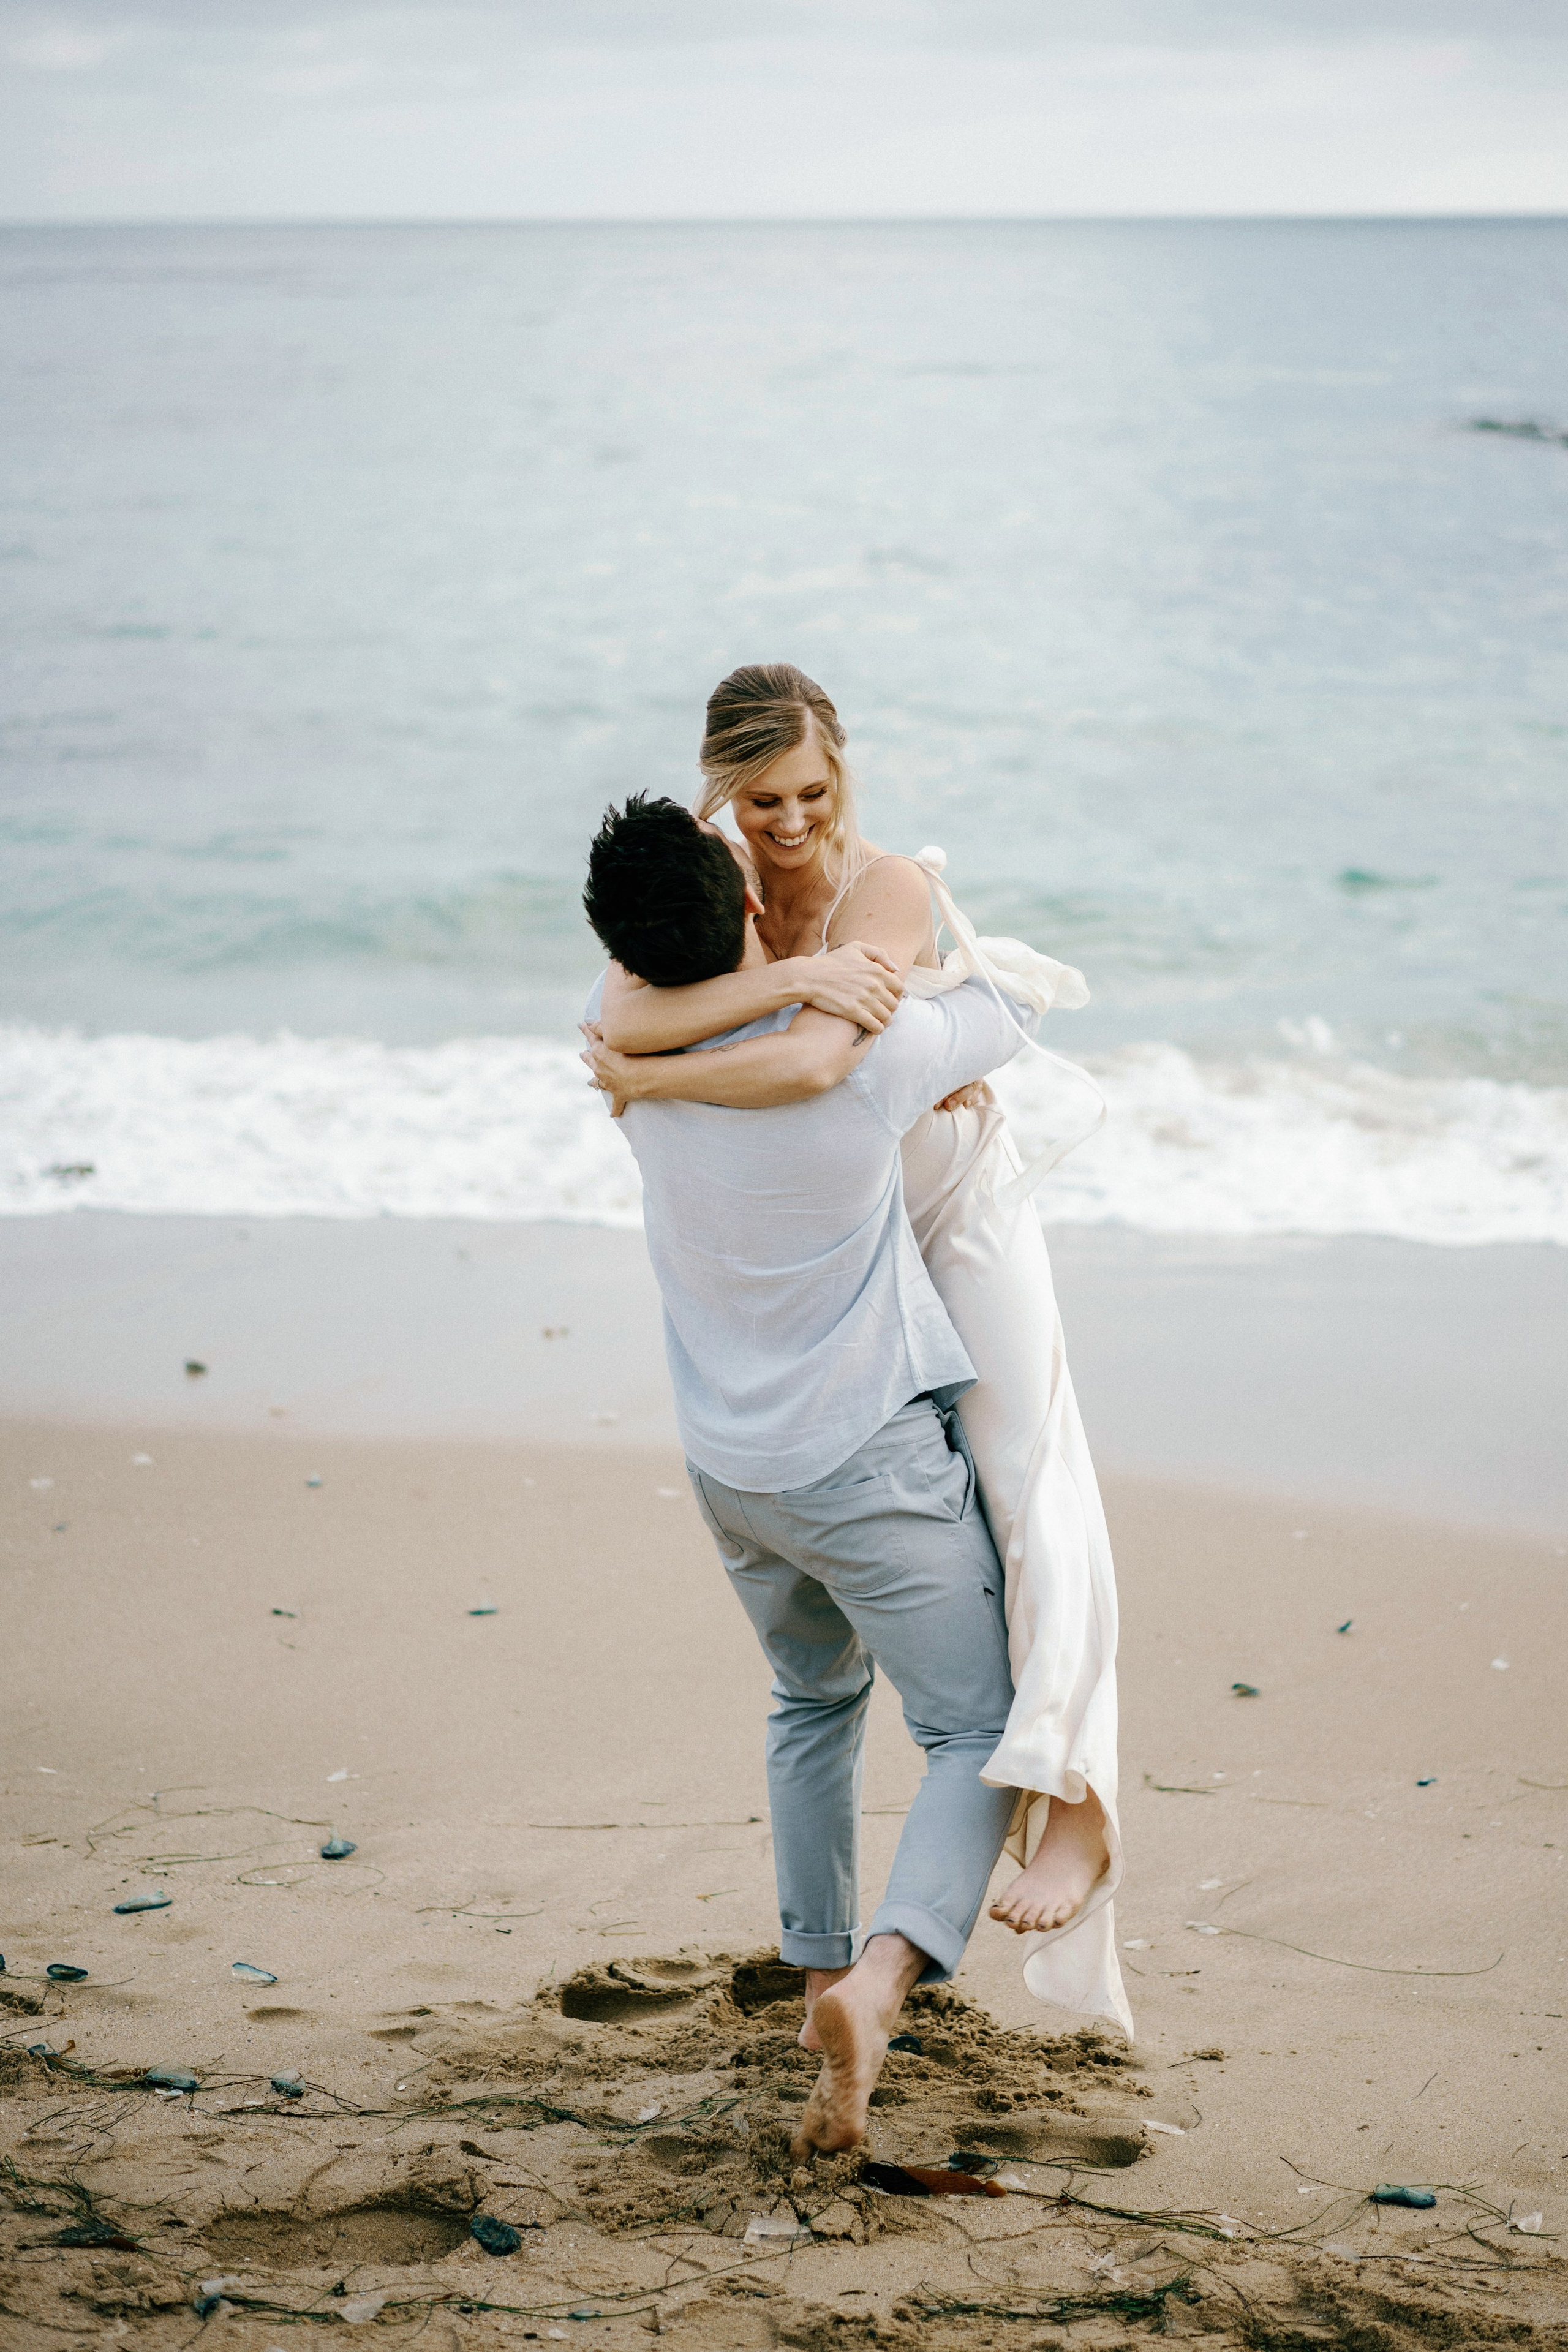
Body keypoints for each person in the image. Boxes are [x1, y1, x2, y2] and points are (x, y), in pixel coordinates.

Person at [582, 663, 1131, 2042]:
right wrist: (830, 996)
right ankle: (867, 1978)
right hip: (849, 1377)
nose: (786, 820)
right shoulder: (745, 947)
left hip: (772, 1393)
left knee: (868, 1644)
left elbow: (666, 1035)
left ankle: (871, 1932)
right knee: (937, 1700)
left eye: (811, 795)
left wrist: (653, 1072)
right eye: (758, 799)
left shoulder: (834, 909)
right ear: (720, 792)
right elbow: (828, 1051)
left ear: (845, 776)